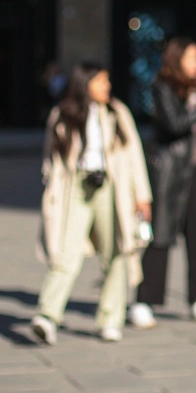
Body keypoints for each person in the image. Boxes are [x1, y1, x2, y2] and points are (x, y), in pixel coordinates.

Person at [31, 63, 152, 345]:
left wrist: (142, 196)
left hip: (112, 188)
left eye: (107, 82)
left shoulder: (117, 112)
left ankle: (110, 319)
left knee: (116, 252)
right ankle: (47, 316)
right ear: (84, 84)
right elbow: (51, 158)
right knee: (65, 252)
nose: (106, 87)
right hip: (76, 187)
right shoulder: (63, 114)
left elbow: (135, 154)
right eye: (100, 82)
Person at [128, 38, 196, 329]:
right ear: (178, 60)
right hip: (169, 171)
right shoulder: (161, 87)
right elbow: (174, 124)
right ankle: (144, 300)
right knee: (160, 234)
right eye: (193, 57)